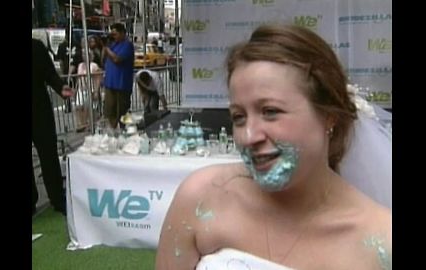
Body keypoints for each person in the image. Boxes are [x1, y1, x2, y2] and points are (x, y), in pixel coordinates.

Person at [156, 24, 392, 270]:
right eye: (239, 117)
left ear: (328, 116)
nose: (249, 136)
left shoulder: (381, 241)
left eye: (270, 112)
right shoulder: (201, 197)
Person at [32, 38, 74, 216]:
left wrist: (60, 87)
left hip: (38, 108)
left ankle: (57, 198)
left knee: (48, 154)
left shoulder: (36, 47)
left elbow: (49, 73)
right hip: (39, 108)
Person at [102, 23, 135, 130]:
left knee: (122, 112)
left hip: (122, 85)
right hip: (110, 84)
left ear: (122, 33)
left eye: (115, 34)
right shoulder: (112, 45)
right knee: (109, 111)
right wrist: (105, 47)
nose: (114, 37)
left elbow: (117, 59)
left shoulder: (127, 45)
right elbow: (102, 60)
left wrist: (107, 50)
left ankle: (125, 131)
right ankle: (113, 131)